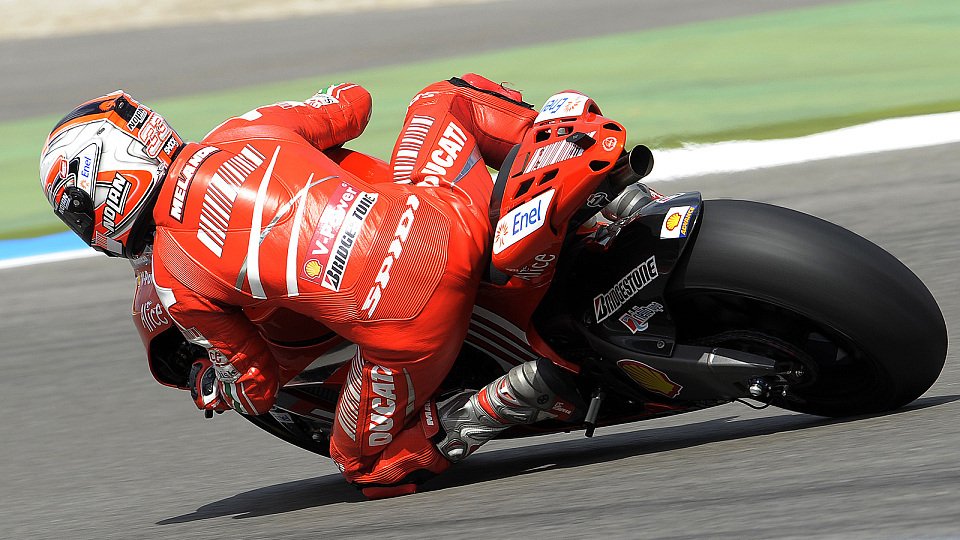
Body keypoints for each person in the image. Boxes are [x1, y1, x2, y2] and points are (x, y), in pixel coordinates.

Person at [39, 74, 585, 498]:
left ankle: (504, 400)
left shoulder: (173, 278)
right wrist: (314, 112)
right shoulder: (244, 127)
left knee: (365, 464)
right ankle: (561, 151)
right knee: (446, 98)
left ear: (104, 179)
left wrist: (217, 387)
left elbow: (256, 382)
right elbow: (355, 102)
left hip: (408, 327)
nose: (86, 227)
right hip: (444, 221)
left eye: (77, 210)